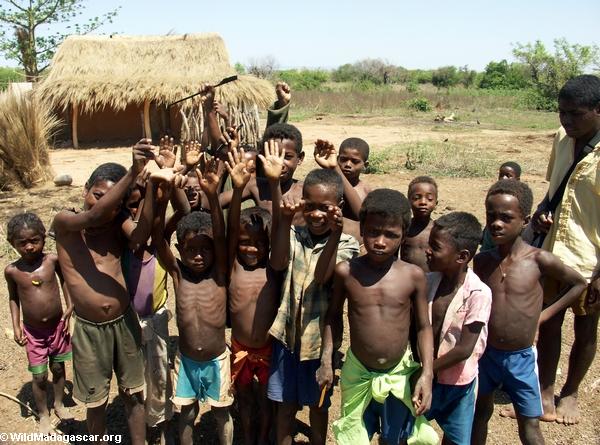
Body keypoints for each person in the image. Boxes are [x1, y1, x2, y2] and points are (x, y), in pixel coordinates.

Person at [52, 142, 154, 445]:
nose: (106, 207)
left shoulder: (116, 222)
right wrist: (132, 171)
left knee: (134, 394)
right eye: (98, 195)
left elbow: (140, 235)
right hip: (89, 330)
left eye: (114, 203)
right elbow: (95, 216)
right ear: (86, 189)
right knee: (96, 402)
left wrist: (148, 191)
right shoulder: (65, 221)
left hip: (124, 323)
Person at [316, 188, 436, 445]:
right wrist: (327, 359)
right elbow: (332, 317)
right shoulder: (347, 272)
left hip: (399, 373)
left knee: (393, 437)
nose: (380, 241)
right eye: (373, 232)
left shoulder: (413, 276)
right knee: (354, 435)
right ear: (362, 231)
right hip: (358, 371)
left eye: (390, 235)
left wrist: (427, 374)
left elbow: (424, 327)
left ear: (403, 237)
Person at [471, 180, 586, 445]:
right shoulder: (483, 261)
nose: (497, 223)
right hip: (485, 354)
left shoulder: (538, 260)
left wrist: (543, 316)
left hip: (520, 358)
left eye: (506, 218)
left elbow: (578, 283)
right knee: (479, 413)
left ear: (524, 221)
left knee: (529, 424)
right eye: (491, 216)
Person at [268, 168, 360, 445]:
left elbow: (323, 276)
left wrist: (335, 234)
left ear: (339, 208)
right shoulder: (295, 235)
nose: (316, 215)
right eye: (309, 206)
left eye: (325, 208)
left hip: (319, 345)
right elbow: (277, 263)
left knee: (318, 409)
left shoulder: (347, 244)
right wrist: (284, 221)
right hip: (286, 339)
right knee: (284, 408)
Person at [532, 74, 600, 426]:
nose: (566, 121)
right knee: (550, 321)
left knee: (586, 326)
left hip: (591, 259)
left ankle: (570, 392)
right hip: (553, 250)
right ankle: (544, 392)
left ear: (598, 111)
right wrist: (543, 211)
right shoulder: (562, 139)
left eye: (575, 114)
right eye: (561, 112)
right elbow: (553, 189)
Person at [152, 158, 233, 445]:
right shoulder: (178, 274)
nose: (199, 256)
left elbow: (221, 237)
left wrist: (213, 197)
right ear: (179, 250)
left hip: (216, 360)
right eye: (191, 250)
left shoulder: (220, 274)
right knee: (186, 413)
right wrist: (161, 202)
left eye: (205, 249)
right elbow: (158, 239)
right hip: (185, 361)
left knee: (222, 413)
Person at [225, 142, 283, 445]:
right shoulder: (233, 267)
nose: (251, 248)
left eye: (258, 244)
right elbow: (233, 230)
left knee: (266, 400)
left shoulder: (273, 268)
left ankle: (262, 438)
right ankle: (247, 438)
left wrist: (273, 183)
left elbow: (278, 231)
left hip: (269, 351)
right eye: (246, 243)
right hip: (239, 349)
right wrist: (237, 190)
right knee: (244, 400)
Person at [424, 212, 492, 445]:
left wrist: (427, 370)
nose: (427, 250)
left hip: (457, 383)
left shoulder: (478, 294)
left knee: (455, 439)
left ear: (462, 256)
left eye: (435, 247)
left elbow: (464, 349)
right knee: (409, 429)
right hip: (426, 376)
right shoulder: (429, 282)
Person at [5, 212, 74, 434]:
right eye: (22, 243)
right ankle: (43, 413)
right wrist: (16, 326)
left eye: (34, 240)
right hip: (33, 332)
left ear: (44, 237)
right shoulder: (13, 271)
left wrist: (70, 306)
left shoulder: (52, 261)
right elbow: (13, 298)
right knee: (39, 375)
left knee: (58, 367)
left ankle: (59, 404)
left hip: (57, 326)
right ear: (11, 243)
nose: (29, 247)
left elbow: (65, 282)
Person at [123, 170, 174, 443]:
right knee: (132, 382)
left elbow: (176, 213)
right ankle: (139, 432)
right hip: (128, 324)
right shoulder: (120, 245)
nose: (138, 209)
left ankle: (163, 426)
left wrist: (163, 197)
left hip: (156, 321)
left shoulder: (157, 242)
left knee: (160, 376)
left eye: (143, 202)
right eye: (132, 204)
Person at [219, 123, 305, 225]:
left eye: (287, 157)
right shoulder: (256, 186)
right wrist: (223, 156)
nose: (279, 163)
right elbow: (208, 204)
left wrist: (329, 168)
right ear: (262, 157)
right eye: (272, 156)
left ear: (300, 158)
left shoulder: (306, 192)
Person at [313, 138, 371, 243]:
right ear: (337, 158)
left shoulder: (366, 191)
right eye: (343, 159)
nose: (348, 164)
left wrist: (335, 168)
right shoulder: (326, 185)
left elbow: (360, 216)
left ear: (365, 165)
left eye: (355, 161)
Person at [481, 162, 522, 252]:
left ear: (517, 179)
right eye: (501, 175)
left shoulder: (520, 196)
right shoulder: (494, 192)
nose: (504, 178)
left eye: (508, 175)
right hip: (491, 232)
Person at [402, 176, 438, 272]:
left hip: (432, 281)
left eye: (429, 199)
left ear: (436, 203)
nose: (423, 202)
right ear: (408, 202)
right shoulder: (404, 228)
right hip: (407, 279)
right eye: (416, 198)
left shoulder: (438, 230)